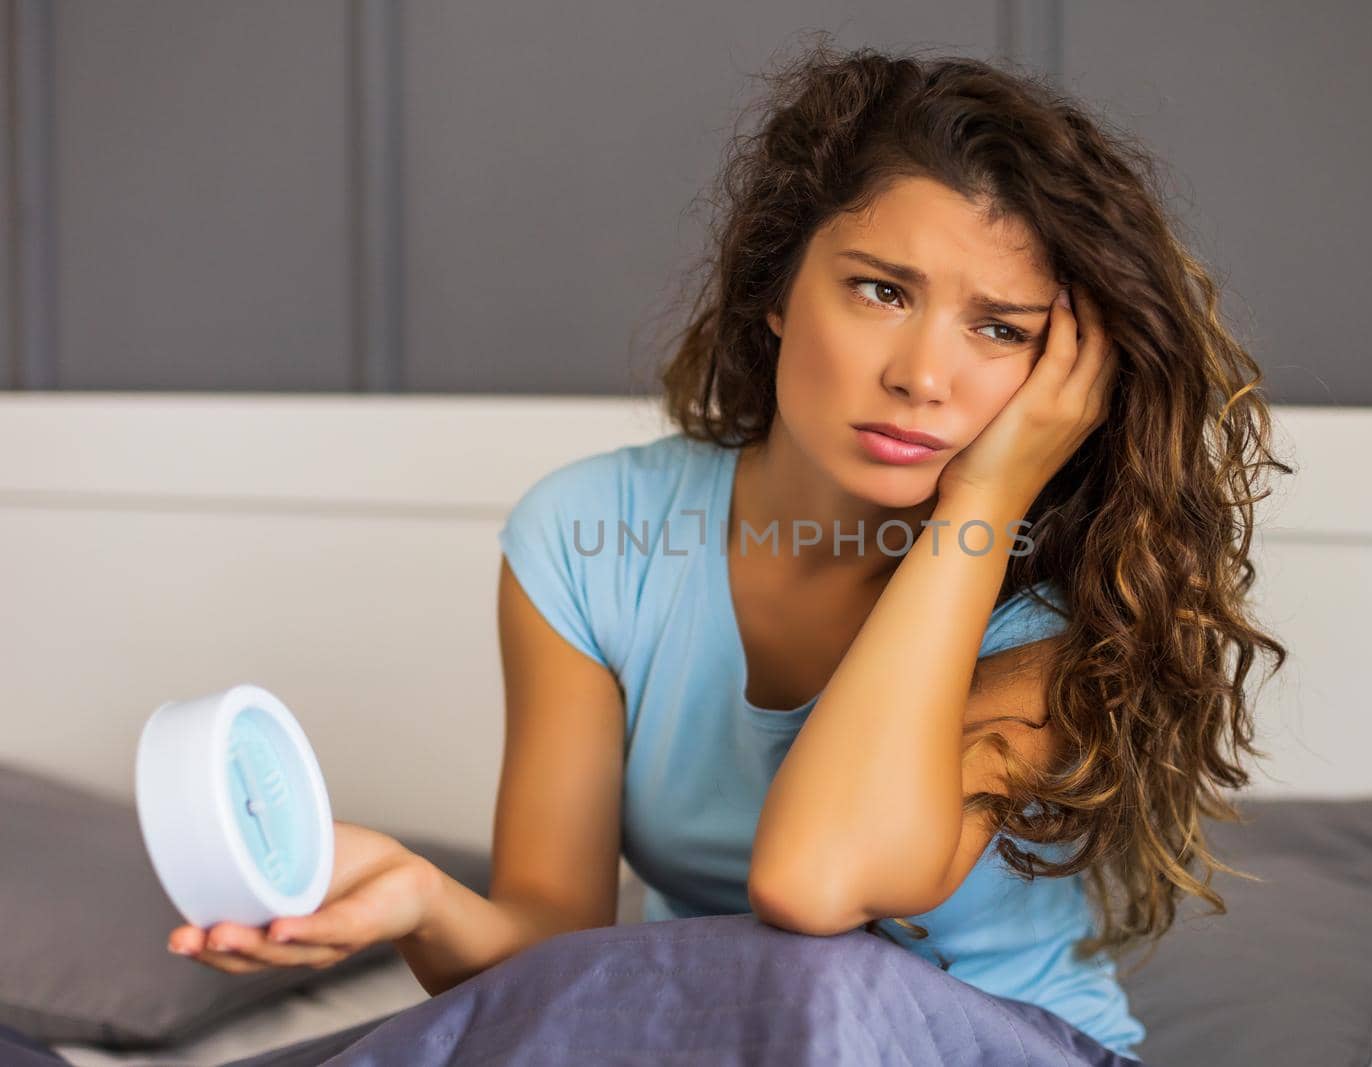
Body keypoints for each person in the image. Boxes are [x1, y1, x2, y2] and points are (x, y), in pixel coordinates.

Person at [163, 39, 1290, 1064]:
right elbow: (548, 965)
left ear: (1068, 382)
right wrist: (420, 899)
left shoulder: (1070, 603)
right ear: (774, 294)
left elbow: (813, 881)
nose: (923, 374)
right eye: (880, 290)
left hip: (979, 1047)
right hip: (711, 1034)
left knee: (823, 978)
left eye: (1001, 328)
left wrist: (985, 505)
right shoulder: (589, 538)